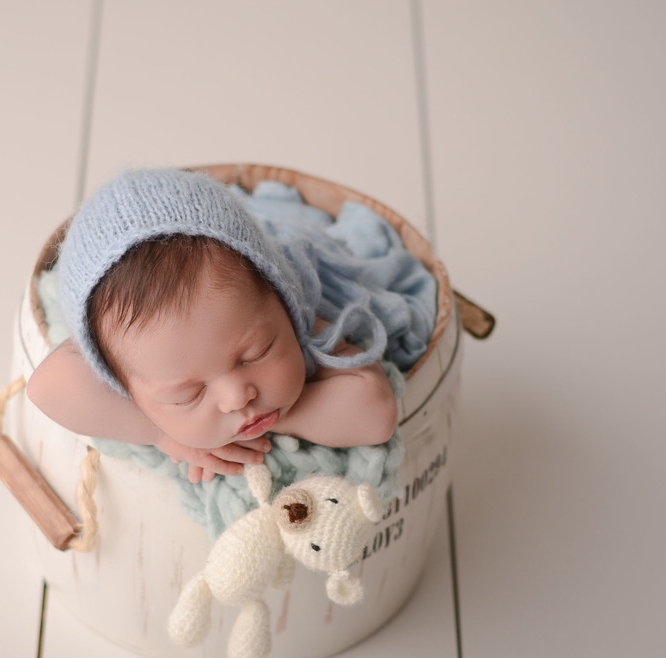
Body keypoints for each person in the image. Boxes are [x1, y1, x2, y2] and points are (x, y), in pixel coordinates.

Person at [26, 168, 398, 484]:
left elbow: (377, 414)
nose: (237, 398)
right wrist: (161, 433)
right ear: (125, 388)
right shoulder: (128, 356)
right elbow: (46, 387)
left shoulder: (300, 312)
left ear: (280, 296)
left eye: (255, 354)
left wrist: (286, 416)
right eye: (188, 395)